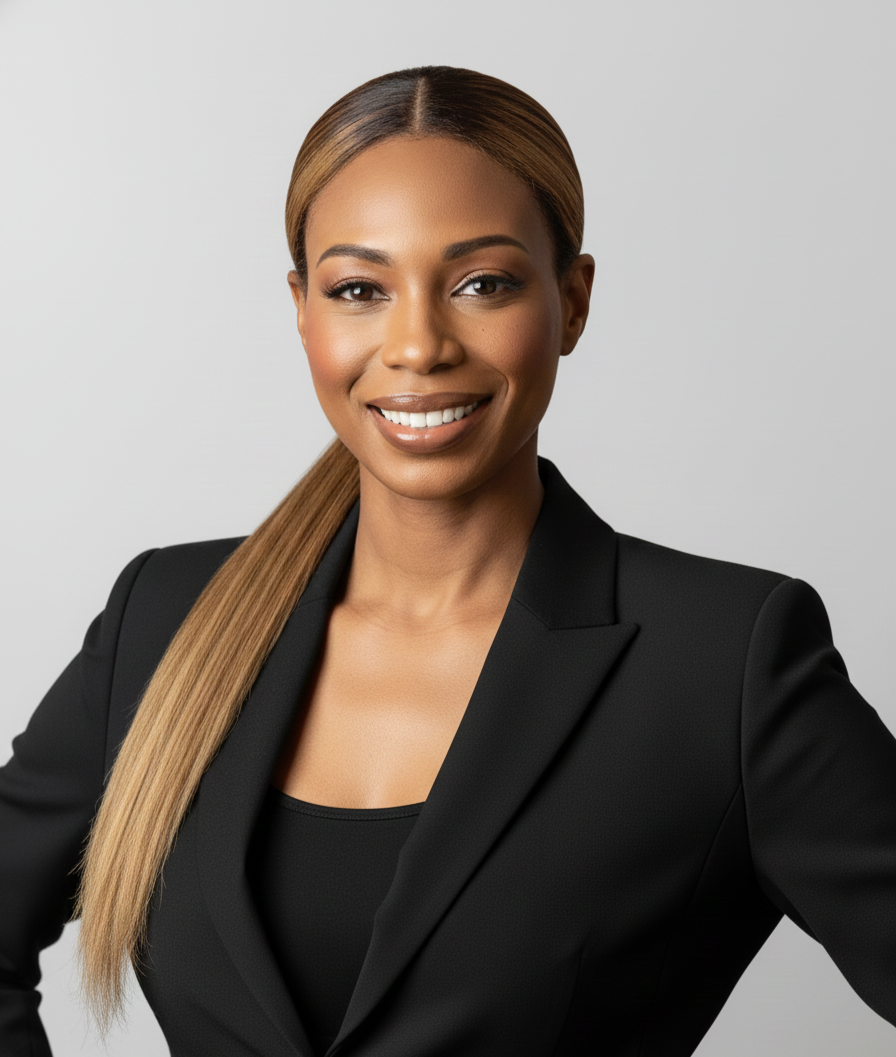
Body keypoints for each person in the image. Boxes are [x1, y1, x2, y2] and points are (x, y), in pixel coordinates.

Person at [1, 64, 894, 1057]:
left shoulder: (722, 662)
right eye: (358, 288)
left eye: (481, 282)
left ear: (572, 298)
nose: (417, 343)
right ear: (303, 309)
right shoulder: (162, 618)